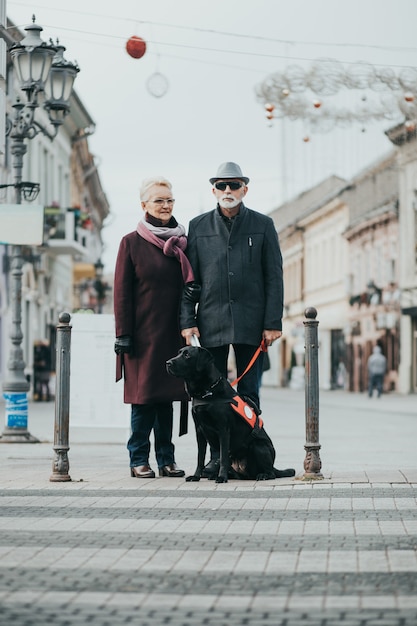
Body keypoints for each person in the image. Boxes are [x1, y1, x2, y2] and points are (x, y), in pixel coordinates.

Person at [180, 161, 284, 474]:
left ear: (245, 189)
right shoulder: (198, 226)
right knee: (211, 396)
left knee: (249, 394)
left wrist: (272, 323)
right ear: (213, 190)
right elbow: (190, 279)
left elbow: (273, 277)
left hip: (253, 325)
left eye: (234, 185)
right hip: (211, 322)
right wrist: (187, 319)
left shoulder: (263, 224)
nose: (228, 191)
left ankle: (250, 454)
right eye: (222, 186)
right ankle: (217, 459)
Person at [114, 176, 194, 478]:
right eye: (159, 200)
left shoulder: (181, 244)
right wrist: (123, 335)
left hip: (173, 334)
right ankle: (138, 458)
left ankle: (167, 459)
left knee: (167, 401)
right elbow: (122, 293)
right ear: (144, 204)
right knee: (143, 400)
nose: (165, 205)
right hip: (141, 336)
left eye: (169, 199)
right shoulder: (131, 243)